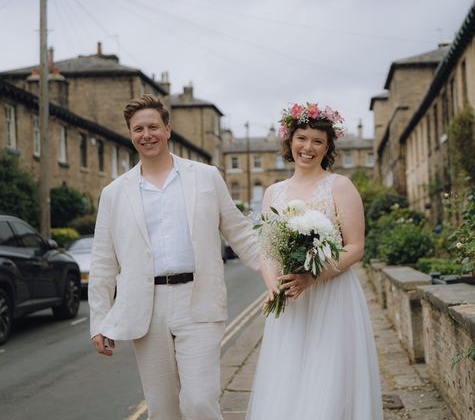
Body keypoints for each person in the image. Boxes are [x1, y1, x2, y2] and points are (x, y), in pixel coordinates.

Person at [88, 94, 277, 420]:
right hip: (146, 310)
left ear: (168, 129)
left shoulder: (205, 177)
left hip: (199, 300)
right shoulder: (114, 194)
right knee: (162, 408)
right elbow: (104, 260)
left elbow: (241, 232)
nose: (146, 135)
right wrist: (99, 320)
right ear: (130, 134)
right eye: (138, 129)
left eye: (153, 126)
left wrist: (275, 275)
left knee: (200, 400)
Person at [246, 103, 384, 419]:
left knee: (329, 381)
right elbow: (267, 249)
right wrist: (273, 286)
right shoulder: (273, 193)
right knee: (288, 379)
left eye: (317, 141)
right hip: (292, 301)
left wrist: (312, 278)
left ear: (327, 147)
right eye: (302, 138)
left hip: (332, 297)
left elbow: (355, 248)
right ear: (289, 141)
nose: (308, 147)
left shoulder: (340, 186)